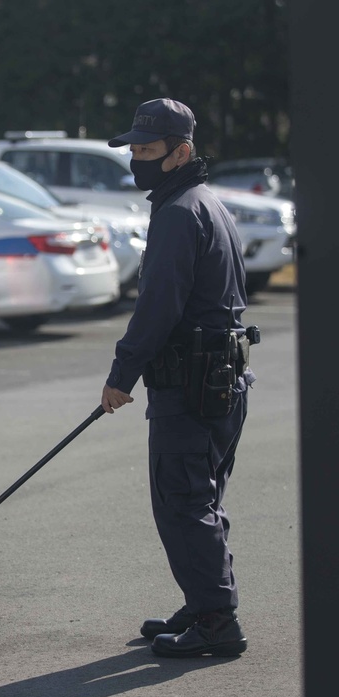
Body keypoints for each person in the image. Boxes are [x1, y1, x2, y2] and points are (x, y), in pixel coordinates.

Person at [101, 98, 254, 657]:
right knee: (201, 498)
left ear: (181, 152)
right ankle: (204, 600)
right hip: (222, 379)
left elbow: (158, 308)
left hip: (191, 384)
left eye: (147, 150)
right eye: (134, 150)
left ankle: (217, 621)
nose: (137, 160)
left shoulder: (177, 213)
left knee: (184, 501)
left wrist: (122, 374)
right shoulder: (206, 203)